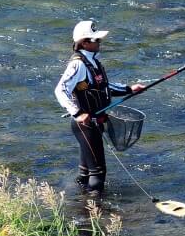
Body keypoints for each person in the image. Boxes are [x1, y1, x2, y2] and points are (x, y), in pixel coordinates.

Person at [54, 20, 145, 195]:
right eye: (96, 40)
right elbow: (61, 90)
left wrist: (129, 89)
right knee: (98, 173)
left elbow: (103, 87)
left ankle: (79, 204)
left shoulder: (93, 63)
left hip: (94, 123)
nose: (99, 42)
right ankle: (95, 213)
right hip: (85, 125)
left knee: (86, 172)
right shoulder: (78, 64)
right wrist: (78, 113)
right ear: (85, 43)